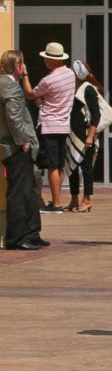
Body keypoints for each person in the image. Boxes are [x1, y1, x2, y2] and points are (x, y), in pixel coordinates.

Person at [0, 49, 46, 250]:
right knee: (19, 191)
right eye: (23, 64)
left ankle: (32, 233)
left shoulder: (8, 84)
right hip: (15, 147)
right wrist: (23, 140)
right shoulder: (10, 87)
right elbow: (14, 117)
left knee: (28, 190)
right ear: (18, 66)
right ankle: (17, 238)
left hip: (13, 145)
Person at [23, 40, 75, 214]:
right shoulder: (70, 74)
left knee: (52, 166)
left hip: (50, 125)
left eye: (46, 58)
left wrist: (25, 76)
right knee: (59, 165)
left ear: (52, 60)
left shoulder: (49, 79)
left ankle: (57, 204)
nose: (44, 61)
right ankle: (56, 199)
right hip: (64, 124)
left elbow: (31, 94)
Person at [65, 60, 106, 213]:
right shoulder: (73, 88)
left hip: (86, 135)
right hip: (73, 134)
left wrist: (91, 135)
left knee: (86, 168)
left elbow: (96, 114)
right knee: (72, 166)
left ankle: (87, 199)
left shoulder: (88, 89)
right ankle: (74, 198)